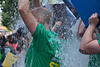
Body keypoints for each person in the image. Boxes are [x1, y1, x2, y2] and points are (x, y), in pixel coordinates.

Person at [18, 0, 64, 67]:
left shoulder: (41, 36)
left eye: (32, 20)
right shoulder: (52, 37)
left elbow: (22, 8)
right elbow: (40, 12)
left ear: (38, 20)